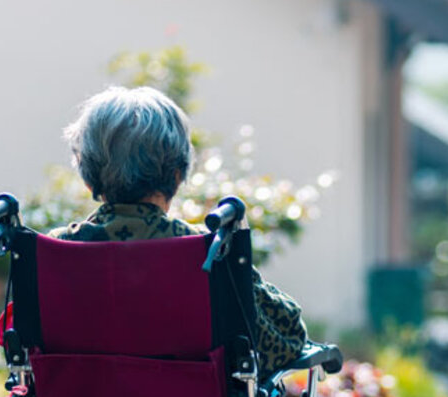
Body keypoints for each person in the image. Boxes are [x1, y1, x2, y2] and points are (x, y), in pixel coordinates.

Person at [50, 86, 307, 379]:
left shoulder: (54, 252)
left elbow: (26, 347)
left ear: (89, 179)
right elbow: (288, 339)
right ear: (177, 175)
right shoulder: (209, 251)